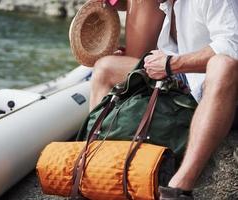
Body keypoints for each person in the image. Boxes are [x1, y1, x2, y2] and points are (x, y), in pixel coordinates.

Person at [91, 0, 238, 199]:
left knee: (223, 65)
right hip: (186, 77)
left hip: (224, 87)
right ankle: (93, 160)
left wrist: (171, 64)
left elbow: (232, 47)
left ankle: (179, 188)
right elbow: (179, 50)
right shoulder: (167, 4)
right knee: (105, 67)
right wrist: (154, 61)